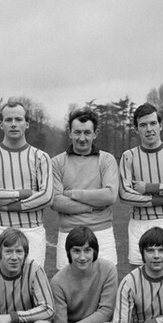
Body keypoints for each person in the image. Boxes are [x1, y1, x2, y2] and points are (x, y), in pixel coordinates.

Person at [0, 100, 53, 268]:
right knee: (0, 282)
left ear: (27, 124)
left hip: (32, 231)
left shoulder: (41, 157)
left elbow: (47, 197)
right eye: (8, 120)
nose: (13, 124)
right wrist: (24, 194)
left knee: (32, 281)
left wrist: (10, 207)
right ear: (1, 124)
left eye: (18, 119)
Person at [118, 103, 163, 266]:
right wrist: (162, 199)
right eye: (143, 125)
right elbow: (125, 194)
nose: (149, 129)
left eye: (153, 123)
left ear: (161, 125)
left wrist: (149, 188)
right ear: (136, 129)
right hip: (140, 223)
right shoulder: (128, 156)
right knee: (139, 276)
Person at [50, 107, 119, 270]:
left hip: (102, 233)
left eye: (87, 132)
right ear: (70, 133)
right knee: (68, 284)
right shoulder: (56, 162)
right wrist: (93, 205)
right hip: (68, 234)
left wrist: (73, 193)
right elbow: (56, 201)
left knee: (105, 282)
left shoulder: (107, 160)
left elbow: (110, 196)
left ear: (95, 133)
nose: (82, 138)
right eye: (77, 132)